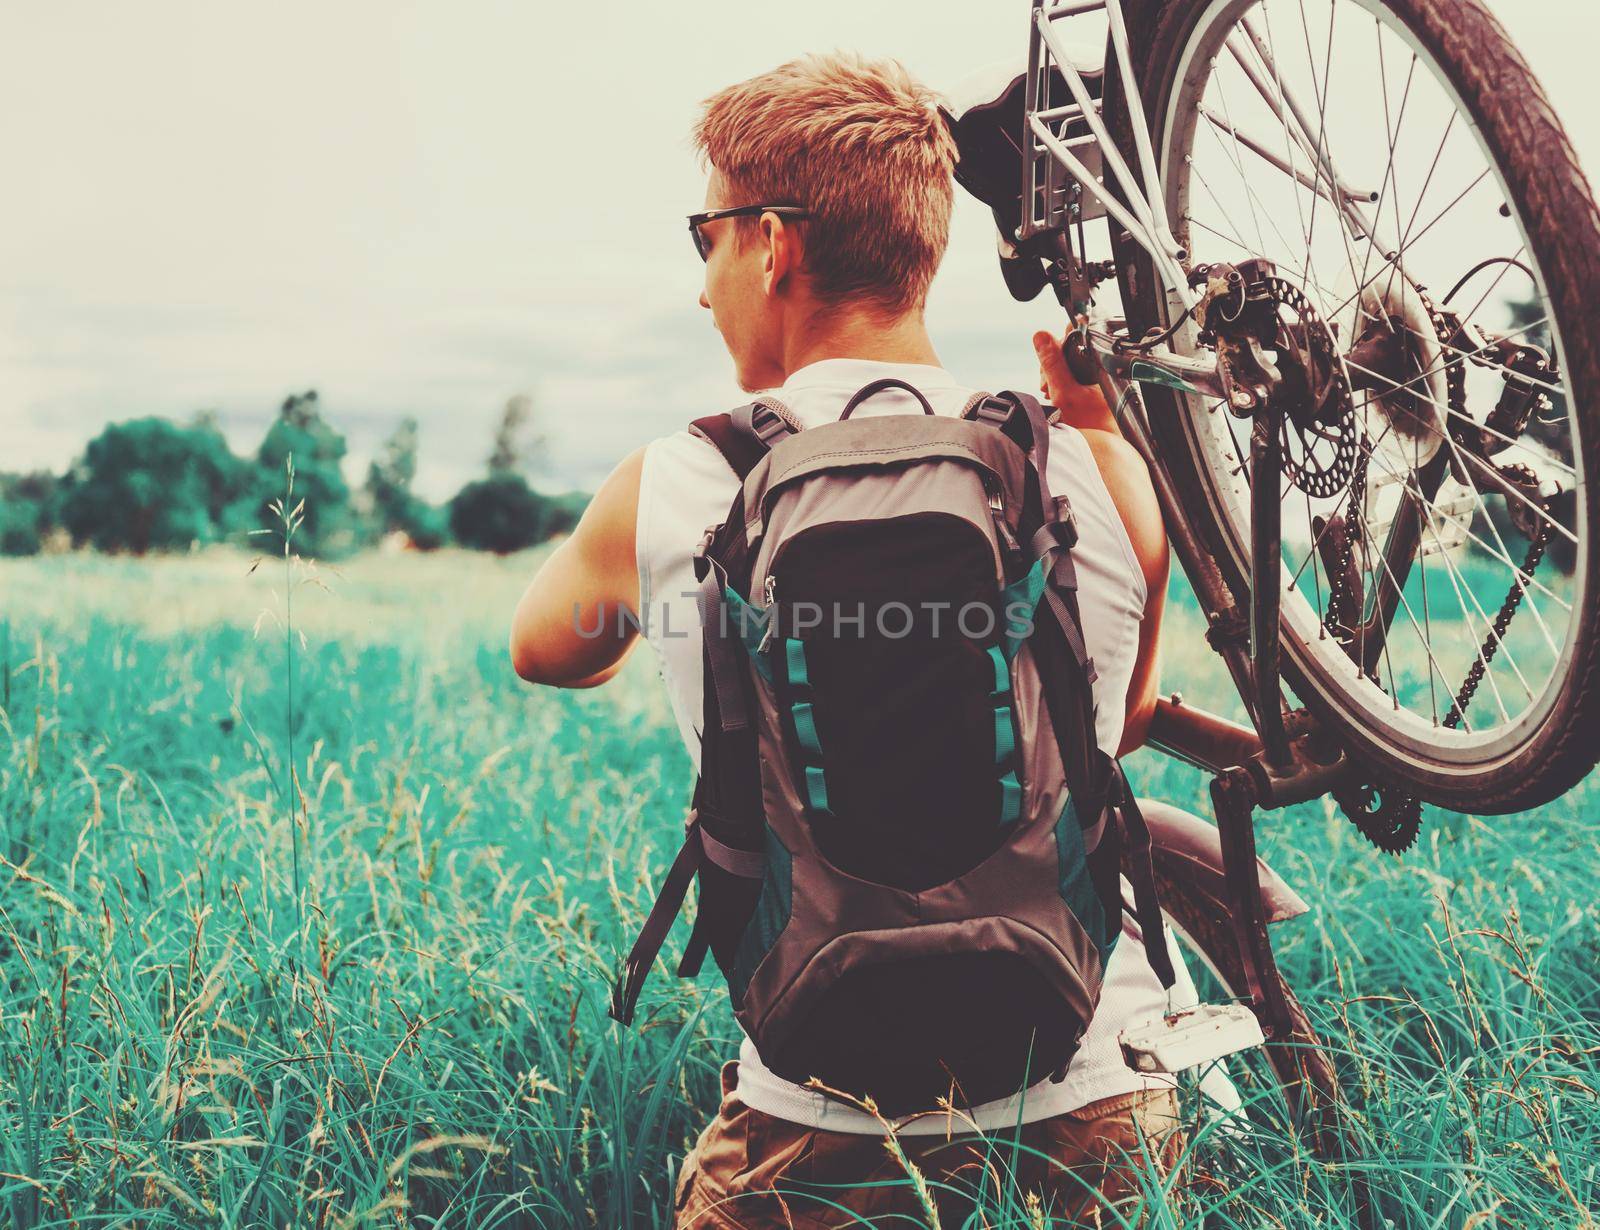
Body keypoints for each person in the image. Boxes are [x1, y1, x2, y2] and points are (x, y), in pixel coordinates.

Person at [509, 50, 1191, 1228]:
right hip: (1096, 1105)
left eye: (705, 237)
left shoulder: (673, 482)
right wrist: (1093, 429)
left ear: (771, 243)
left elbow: (546, 649)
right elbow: (1118, 725)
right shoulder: (1090, 470)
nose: (702, 282)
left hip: (816, 1122)